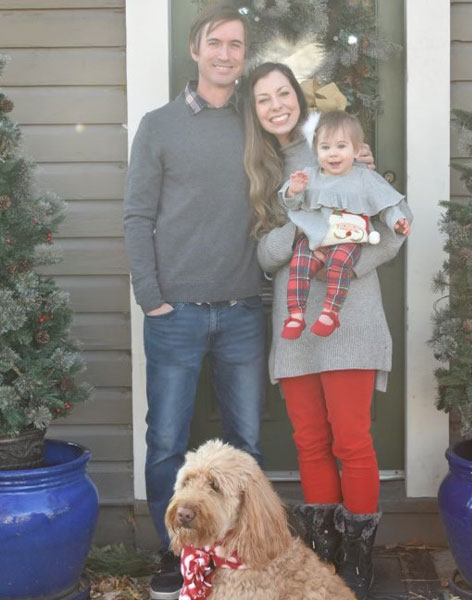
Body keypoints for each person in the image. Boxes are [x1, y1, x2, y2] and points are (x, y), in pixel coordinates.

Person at [243, 62, 412, 600]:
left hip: (351, 321)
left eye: (283, 93)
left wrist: (348, 260)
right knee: (309, 442)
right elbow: (265, 255)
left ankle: (357, 556)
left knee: (352, 440)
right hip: (295, 327)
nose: (276, 105)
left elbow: (389, 232)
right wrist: (300, 226)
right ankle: (321, 551)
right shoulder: (266, 170)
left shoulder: (342, 154)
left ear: (299, 97)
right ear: (254, 111)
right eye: (263, 99)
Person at [123, 6, 265, 600]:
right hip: (174, 313)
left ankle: (242, 553)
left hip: (242, 310)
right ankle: (173, 553)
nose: (226, 54)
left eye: (236, 45)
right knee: (166, 441)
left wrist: (355, 161)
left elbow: (311, 165)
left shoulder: (256, 124)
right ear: (195, 50)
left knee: (247, 444)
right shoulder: (158, 124)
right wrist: (151, 297)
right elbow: (137, 216)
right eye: (216, 43)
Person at [279, 110, 410, 339]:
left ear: (357, 150)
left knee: (339, 264)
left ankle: (330, 311)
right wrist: (294, 190)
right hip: (314, 239)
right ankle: (296, 315)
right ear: (316, 151)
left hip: (345, 238)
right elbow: (291, 203)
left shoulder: (364, 178)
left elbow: (386, 204)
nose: (333, 154)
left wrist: (397, 221)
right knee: (299, 265)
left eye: (341, 146)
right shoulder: (310, 175)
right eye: (325, 147)